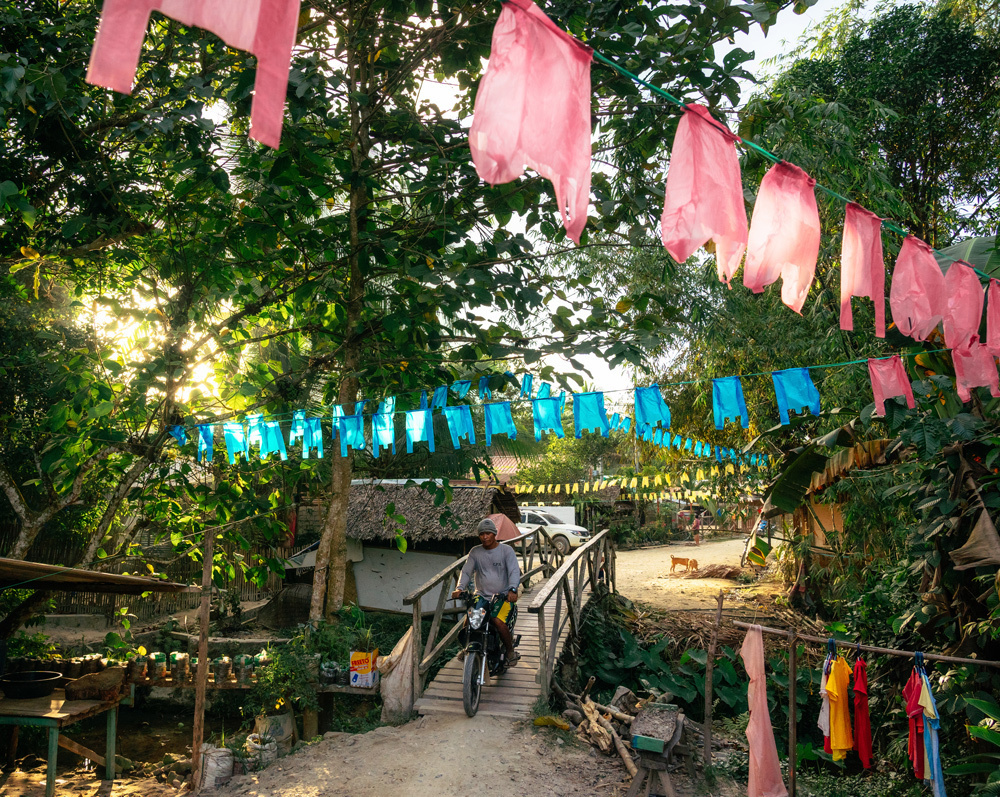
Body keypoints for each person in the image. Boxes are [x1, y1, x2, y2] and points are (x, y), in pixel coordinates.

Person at [452, 518, 521, 666]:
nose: (485, 537)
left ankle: (510, 651)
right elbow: (466, 571)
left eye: (488, 533)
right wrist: (459, 588)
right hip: (481, 595)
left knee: (497, 620)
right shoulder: (475, 552)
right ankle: (466, 648)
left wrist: (513, 589)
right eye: (482, 534)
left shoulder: (506, 551)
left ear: (494, 534)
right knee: (470, 618)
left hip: (502, 597)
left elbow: (514, 571)